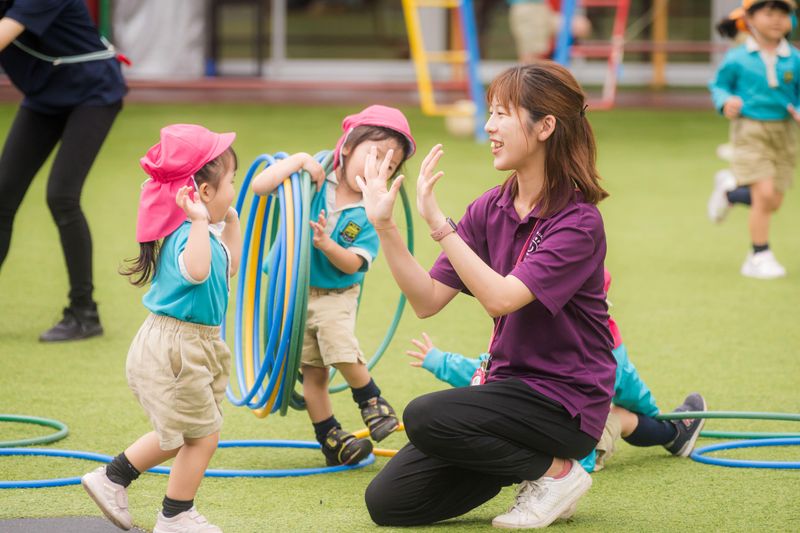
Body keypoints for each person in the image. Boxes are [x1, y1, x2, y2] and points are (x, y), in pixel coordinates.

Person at [359, 61, 614, 528]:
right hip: (505, 398)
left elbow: (500, 298)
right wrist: (385, 225)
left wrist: (440, 225)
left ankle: (557, 474)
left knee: (424, 414)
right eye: (490, 113)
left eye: (502, 114)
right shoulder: (490, 207)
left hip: (566, 402)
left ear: (545, 126)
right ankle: (527, 468)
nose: (488, 126)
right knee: (390, 503)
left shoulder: (578, 222)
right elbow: (427, 300)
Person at [81, 124, 241, 533]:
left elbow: (227, 270)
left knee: (185, 434)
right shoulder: (187, 234)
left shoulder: (199, 232)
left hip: (190, 345)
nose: (234, 191)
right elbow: (198, 269)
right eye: (231, 184)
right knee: (200, 436)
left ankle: (116, 480)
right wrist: (203, 223)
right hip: (176, 347)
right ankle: (173, 514)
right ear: (203, 194)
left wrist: (230, 223)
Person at [404, 269, 707, 474]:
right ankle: (673, 433)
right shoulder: (604, 342)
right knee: (621, 415)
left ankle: (672, 434)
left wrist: (439, 361)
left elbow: (483, 374)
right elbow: (629, 386)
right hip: (572, 449)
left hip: (539, 437)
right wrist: (652, 410)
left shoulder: (528, 331)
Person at [250, 105, 415, 466]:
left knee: (340, 349)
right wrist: (297, 160)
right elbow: (260, 187)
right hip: (292, 292)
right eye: (373, 155)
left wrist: (327, 245)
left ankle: (372, 401)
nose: (377, 169)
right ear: (345, 148)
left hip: (335, 295)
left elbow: (355, 264)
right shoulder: (309, 183)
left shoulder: (371, 211)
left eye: (388, 166)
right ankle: (330, 439)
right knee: (314, 371)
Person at [0, 0, 127, 341]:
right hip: (45, 95)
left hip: (93, 91)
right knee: (3, 194)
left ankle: (84, 313)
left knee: (62, 195)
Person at [707, 0, 800, 279]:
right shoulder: (738, 57)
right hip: (750, 130)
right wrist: (726, 102)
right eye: (769, 13)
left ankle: (729, 192)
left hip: (785, 133)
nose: (776, 20)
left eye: (783, 14)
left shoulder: (793, 58)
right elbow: (719, 85)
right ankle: (759, 254)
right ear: (749, 18)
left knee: (774, 200)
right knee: (765, 195)